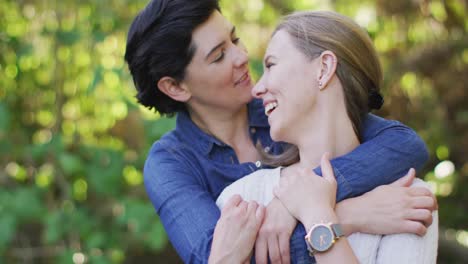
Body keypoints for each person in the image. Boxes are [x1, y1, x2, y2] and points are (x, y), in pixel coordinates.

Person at [123, 0, 435, 263]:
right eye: (218, 55)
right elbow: (220, 257)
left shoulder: (287, 111)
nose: (242, 57)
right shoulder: (172, 163)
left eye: (235, 39)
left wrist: (296, 199)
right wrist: (344, 215)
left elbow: (403, 144)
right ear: (176, 86)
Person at [216, 10, 438, 263]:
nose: (257, 88)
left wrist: (316, 212)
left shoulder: (408, 198)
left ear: (324, 68)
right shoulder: (243, 197)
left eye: (271, 65)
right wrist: (342, 217)